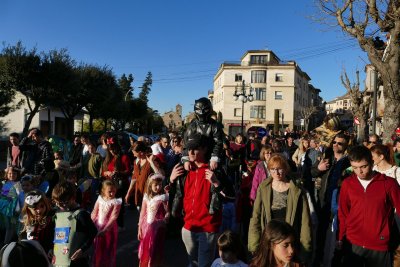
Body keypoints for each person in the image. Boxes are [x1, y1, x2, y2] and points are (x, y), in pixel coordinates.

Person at [169, 132, 234, 267]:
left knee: (204, 264)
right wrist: (171, 180)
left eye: (195, 148)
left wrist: (216, 183)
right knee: (192, 263)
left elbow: (231, 195)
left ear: (204, 149)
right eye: (188, 149)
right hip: (188, 227)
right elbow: (172, 195)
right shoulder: (185, 170)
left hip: (207, 227)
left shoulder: (215, 170)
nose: (191, 152)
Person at [337, 145, 400, 267]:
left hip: (380, 245)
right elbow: (343, 213)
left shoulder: (389, 184)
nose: (359, 172)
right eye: (355, 168)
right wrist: (340, 237)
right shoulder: (348, 184)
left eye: (363, 167)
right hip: (353, 243)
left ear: (371, 162)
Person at [248, 154, 312, 264]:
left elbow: (305, 221)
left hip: (289, 242)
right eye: (272, 169)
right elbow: (256, 217)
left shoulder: (296, 190)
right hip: (270, 241)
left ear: (286, 168)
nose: (276, 173)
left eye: (279, 169)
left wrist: (305, 248)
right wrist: (254, 244)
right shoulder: (263, 188)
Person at [52, 181, 97, 267]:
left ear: (72, 198)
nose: (59, 206)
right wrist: (51, 249)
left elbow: (93, 232)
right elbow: (55, 234)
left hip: (77, 260)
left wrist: (82, 249)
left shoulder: (81, 214)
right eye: (56, 203)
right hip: (60, 259)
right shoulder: (58, 213)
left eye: (62, 203)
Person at [182, 97, 224, 171]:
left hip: (210, 159)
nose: (201, 112)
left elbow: (218, 142)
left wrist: (214, 157)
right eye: (199, 109)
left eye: (204, 109)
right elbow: (186, 143)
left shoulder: (215, 126)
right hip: (195, 159)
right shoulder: (192, 126)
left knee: (220, 174)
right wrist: (186, 159)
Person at [138, 173, 169, 267]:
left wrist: (164, 220)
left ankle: (153, 264)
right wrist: (139, 229)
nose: (158, 187)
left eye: (160, 185)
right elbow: (142, 213)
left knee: (155, 249)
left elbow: (167, 211)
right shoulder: (146, 196)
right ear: (150, 185)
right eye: (155, 185)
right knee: (146, 248)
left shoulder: (163, 197)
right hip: (146, 227)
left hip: (157, 228)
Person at [91, 180, 122, 267]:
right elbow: (94, 212)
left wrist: (105, 230)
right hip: (98, 225)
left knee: (108, 248)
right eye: (109, 191)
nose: (112, 193)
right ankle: (98, 263)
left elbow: (113, 217)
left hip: (109, 228)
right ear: (103, 191)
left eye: (114, 191)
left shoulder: (116, 202)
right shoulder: (100, 199)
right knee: (98, 247)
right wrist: (91, 224)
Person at [102, 136, 130, 228]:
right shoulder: (108, 159)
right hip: (109, 185)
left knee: (118, 207)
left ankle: (120, 225)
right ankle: (111, 225)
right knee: (109, 206)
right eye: (110, 150)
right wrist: (106, 173)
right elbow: (103, 172)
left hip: (119, 185)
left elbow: (128, 171)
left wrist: (118, 173)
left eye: (114, 149)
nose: (112, 151)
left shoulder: (124, 157)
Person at [125, 141, 163, 210]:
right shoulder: (136, 162)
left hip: (150, 195)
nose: (133, 155)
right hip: (139, 194)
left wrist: (152, 163)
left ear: (141, 152)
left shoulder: (153, 159)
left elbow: (161, 175)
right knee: (141, 217)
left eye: (134, 153)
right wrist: (128, 193)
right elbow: (134, 178)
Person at [19, 190, 55, 257]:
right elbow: (22, 240)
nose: (39, 210)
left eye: (42, 206)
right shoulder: (27, 222)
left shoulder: (52, 218)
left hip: (49, 256)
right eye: (35, 208)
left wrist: (51, 248)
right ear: (28, 209)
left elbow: (54, 237)